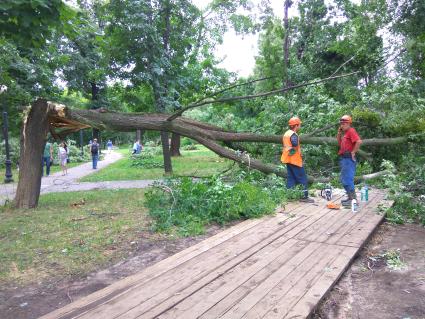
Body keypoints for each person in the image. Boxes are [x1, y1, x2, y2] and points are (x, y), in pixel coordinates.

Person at [281, 116, 314, 203]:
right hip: (294, 160)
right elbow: (295, 144)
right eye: (299, 125)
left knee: (291, 178)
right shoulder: (293, 135)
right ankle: (304, 196)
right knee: (302, 178)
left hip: (288, 159)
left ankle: (290, 196)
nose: (300, 126)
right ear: (296, 125)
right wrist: (297, 150)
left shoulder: (286, 133)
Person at [337, 115, 362, 207]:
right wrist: (339, 133)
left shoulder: (351, 131)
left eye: (343, 124)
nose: (341, 126)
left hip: (348, 159)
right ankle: (350, 198)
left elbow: (359, 141)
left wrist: (353, 152)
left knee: (347, 179)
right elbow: (339, 144)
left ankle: (353, 200)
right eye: (341, 124)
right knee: (344, 179)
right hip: (344, 158)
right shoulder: (345, 133)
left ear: (348, 123)